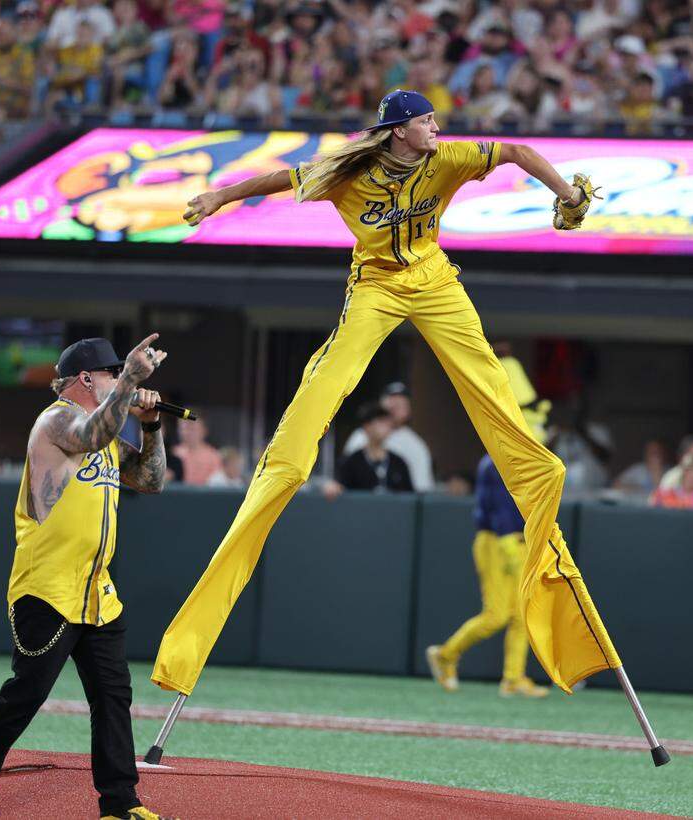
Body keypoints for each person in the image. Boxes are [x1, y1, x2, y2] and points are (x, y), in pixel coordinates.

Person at [153, 90, 602, 700]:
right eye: (424, 121)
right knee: (332, 376)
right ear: (397, 131)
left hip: (435, 277)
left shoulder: (445, 159)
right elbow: (280, 179)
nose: (436, 128)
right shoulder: (348, 168)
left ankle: (531, 462)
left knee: (487, 378)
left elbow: (518, 150)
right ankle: (285, 459)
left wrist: (565, 193)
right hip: (377, 286)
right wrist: (218, 197)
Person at [0, 335, 170, 820]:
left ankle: (120, 804)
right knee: (27, 693)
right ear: (87, 379)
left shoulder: (104, 432)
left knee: (113, 697)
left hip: (96, 593)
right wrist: (130, 382)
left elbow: (151, 480)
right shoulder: (59, 419)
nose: (116, 380)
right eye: (109, 373)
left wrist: (151, 426)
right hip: (48, 589)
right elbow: (91, 435)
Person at [426, 356, 551, 699]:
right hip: (495, 541)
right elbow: (497, 507)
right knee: (496, 615)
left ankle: (513, 677)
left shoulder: (521, 454)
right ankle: (446, 655)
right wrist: (509, 539)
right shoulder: (496, 456)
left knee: (522, 614)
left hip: (516, 540)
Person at [344, 381, 433, 492]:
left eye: (400, 404)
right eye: (391, 402)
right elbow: (345, 479)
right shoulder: (360, 436)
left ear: (408, 410)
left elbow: (421, 489)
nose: (394, 407)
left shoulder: (416, 445)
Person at [323, 402, 413, 499]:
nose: (386, 426)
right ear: (367, 426)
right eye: (380, 421)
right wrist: (332, 487)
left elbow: (410, 498)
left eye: (387, 422)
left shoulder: (399, 463)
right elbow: (338, 489)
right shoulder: (351, 463)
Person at [170, 413, 221, 485]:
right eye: (184, 428)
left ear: (204, 430)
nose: (187, 432)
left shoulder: (214, 457)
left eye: (192, 428)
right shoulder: (172, 453)